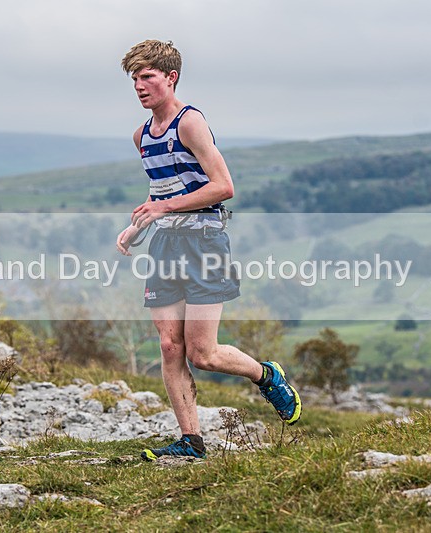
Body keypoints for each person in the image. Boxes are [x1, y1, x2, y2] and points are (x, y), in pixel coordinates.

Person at [116, 40, 301, 461]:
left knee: (203, 353)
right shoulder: (141, 136)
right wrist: (136, 230)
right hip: (165, 244)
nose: (139, 86)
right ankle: (191, 442)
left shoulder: (190, 122)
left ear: (170, 77)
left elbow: (223, 187)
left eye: (147, 77)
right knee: (169, 345)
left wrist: (163, 207)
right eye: (134, 79)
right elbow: (160, 193)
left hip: (204, 242)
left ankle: (266, 374)